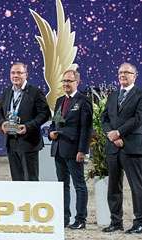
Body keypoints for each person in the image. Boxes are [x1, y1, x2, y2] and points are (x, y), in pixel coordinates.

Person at [48, 70, 92, 229]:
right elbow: (55, 124)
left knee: (79, 185)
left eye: (69, 81)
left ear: (77, 82)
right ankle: (64, 218)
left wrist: (83, 150)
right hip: (59, 149)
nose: (66, 84)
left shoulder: (83, 101)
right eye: (64, 81)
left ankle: (80, 219)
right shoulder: (60, 101)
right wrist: (50, 133)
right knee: (62, 185)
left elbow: (86, 128)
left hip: (74, 150)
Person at [101, 62, 142, 234]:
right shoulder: (113, 96)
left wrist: (119, 133)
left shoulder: (140, 94)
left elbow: (138, 118)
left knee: (137, 187)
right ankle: (115, 221)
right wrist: (111, 134)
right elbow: (104, 118)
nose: (123, 75)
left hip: (131, 147)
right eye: (120, 72)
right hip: (113, 147)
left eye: (127, 72)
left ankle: (139, 222)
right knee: (114, 187)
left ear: (135, 75)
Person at [0, 62, 51, 181]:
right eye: (13, 73)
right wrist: (2, 123)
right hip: (11, 142)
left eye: (19, 73)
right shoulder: (7, 92)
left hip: (28, 142)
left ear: (26, 75)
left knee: (30, 180)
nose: (15, 75)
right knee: (17, 181)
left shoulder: (35, 92)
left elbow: (45, 114)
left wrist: (28, 126)